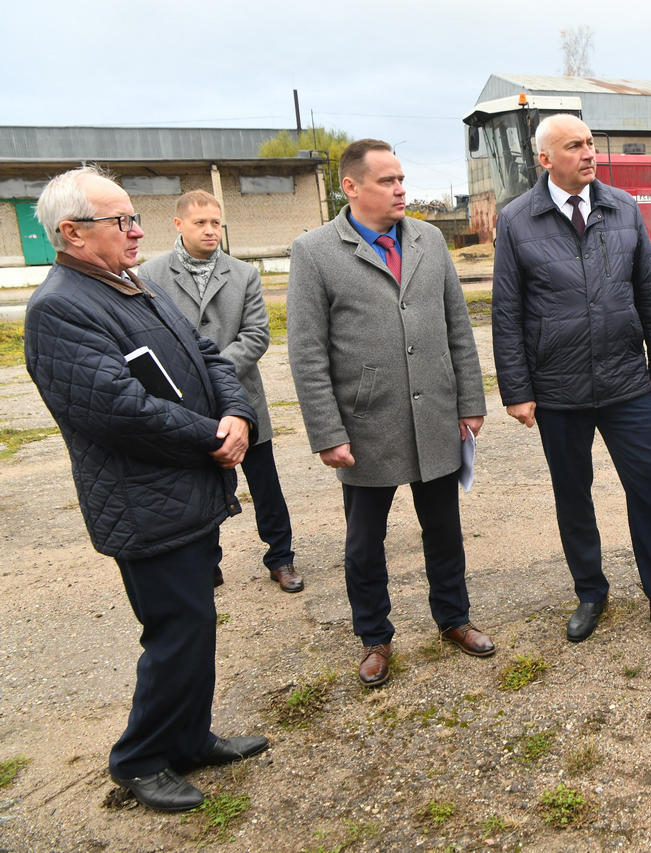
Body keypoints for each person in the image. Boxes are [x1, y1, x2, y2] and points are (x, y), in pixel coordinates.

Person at [25, 167, 267, 812]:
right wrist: (211, 436)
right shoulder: (61, 309)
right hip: (144, 504)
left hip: (185, 493)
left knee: (194, 624)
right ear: (72, 234)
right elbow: (115, 409)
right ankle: (138, 758)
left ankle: (188, 737)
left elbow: (210, 355)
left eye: (134, 219)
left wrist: (237, 415)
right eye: (121, 221)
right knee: (174, 629)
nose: (137, 231)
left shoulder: (131, 286)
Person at [491, 113, 651, 643]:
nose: (589, 153)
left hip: (625, 383)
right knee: (573, 495)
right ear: (545, 159)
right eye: (575, 146)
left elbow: (649, 293)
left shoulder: (622, 208)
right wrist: (517, 391)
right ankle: (591, 593)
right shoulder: (517, 219)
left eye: (591, 143)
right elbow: (507, 312)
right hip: (558, 388)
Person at [288, 139, 493, 687]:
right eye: (387, 181)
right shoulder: (315, 251)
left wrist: (470, 401)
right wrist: (327, 432)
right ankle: (374, 637)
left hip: (436, 417)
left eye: (401, 178)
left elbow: (457, 327)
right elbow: (307, 354)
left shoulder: (428, 239)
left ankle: (454, 618)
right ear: (351, 187)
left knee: (444, 530)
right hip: (366, 423)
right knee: (364, 542)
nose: (401, 189)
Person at [140, 191, 303, 593]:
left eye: (216, 222)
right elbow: (152, 337)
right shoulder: (150, 275)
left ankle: (280, 557)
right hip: (187, 405)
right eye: (200, 223)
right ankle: (206, 564)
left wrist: (212, 372)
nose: (211, 230)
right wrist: (194, 380)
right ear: (178, 225)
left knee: (265, 483)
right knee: (200, 484)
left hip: (243, 398)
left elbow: (256, 335)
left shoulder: (243, 274)